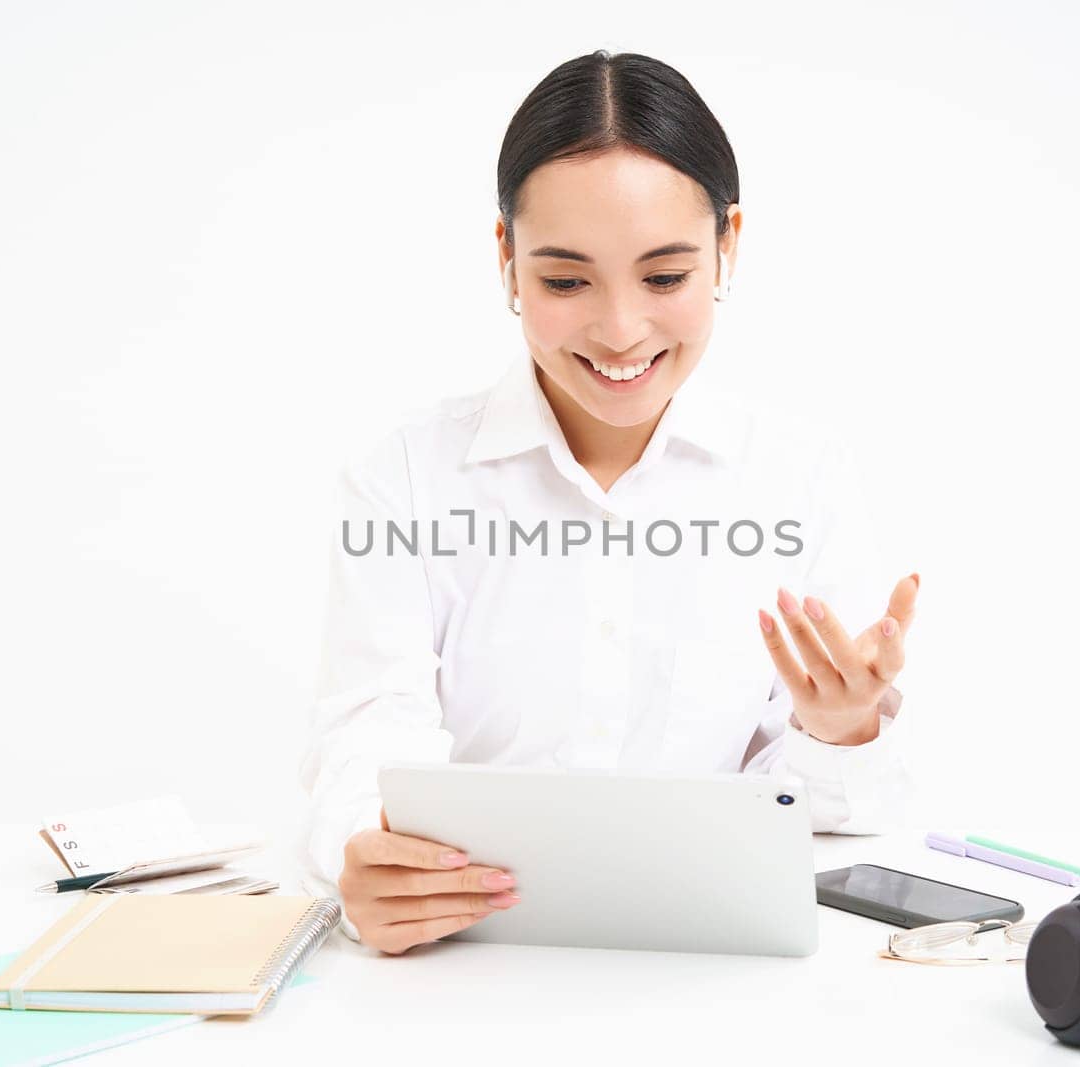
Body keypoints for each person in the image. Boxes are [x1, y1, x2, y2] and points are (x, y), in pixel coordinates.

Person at [298, 49, 920, 956]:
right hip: (464, 971)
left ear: (729, 247)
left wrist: (839, 731)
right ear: (507, 257)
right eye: (565, 280)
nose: (621, 329)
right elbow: (366, 734)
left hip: (717, 979)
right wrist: (363, 852)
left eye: (665, 277)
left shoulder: (800, 477)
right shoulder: (404, 476)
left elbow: (835, 821)